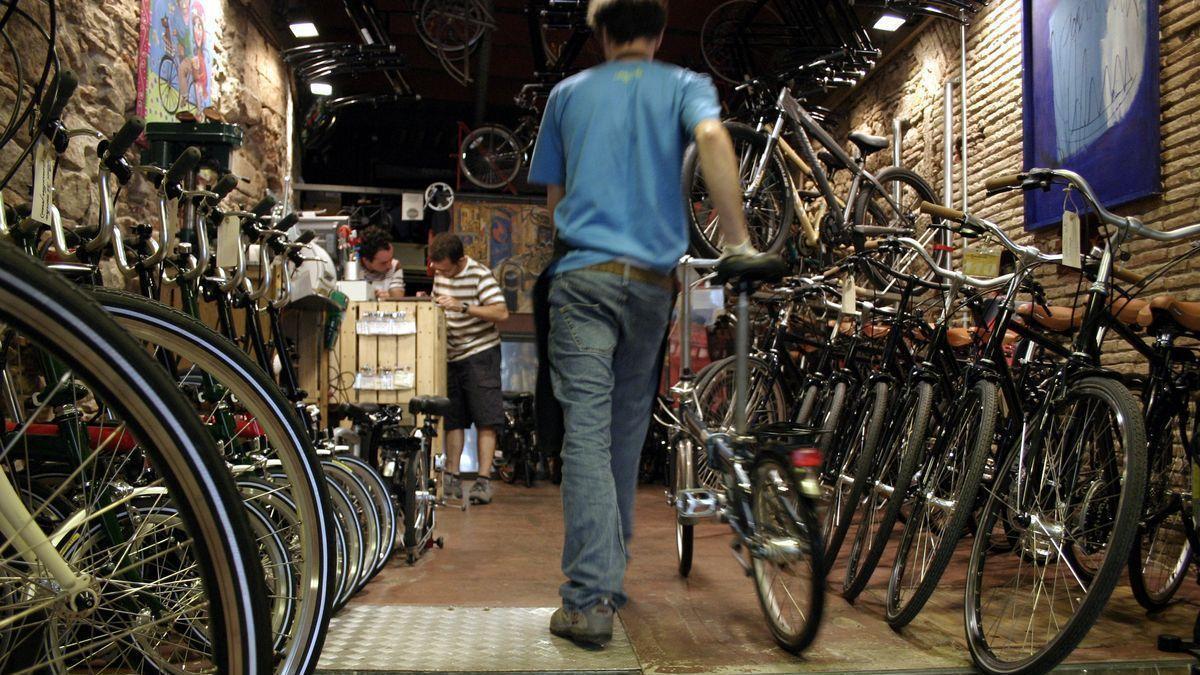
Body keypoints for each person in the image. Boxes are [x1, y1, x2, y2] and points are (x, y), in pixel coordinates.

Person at [527, 0, 756, 648]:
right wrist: (735, 241)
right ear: (657, 34)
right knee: (625, 438)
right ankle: (609, 577)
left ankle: (587, 597)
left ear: (600, 35)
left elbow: (554, 201)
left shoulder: (568, 94)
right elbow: (712, 137)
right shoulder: (685, 84)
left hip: (583, 281)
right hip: (652, 287)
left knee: (587, 438)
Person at [429, 233, 510, 505]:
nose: (441, 274)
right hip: (450, 355)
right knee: (454, 418)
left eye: (445, 269)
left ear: (460, 260)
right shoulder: (441, 274)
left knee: (486, 417)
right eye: (437, 269)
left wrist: (463, 307)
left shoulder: (479, 275)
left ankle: (483, 480)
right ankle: (452, 475)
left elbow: (501, 312)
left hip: (480, 353)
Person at [359, 226, 406, 299]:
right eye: (383, 263)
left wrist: (390, 298)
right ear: (366, 261)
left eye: (391, 259)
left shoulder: (395, 266)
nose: (389, 266)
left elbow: (398, 297)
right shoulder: (353, 268)